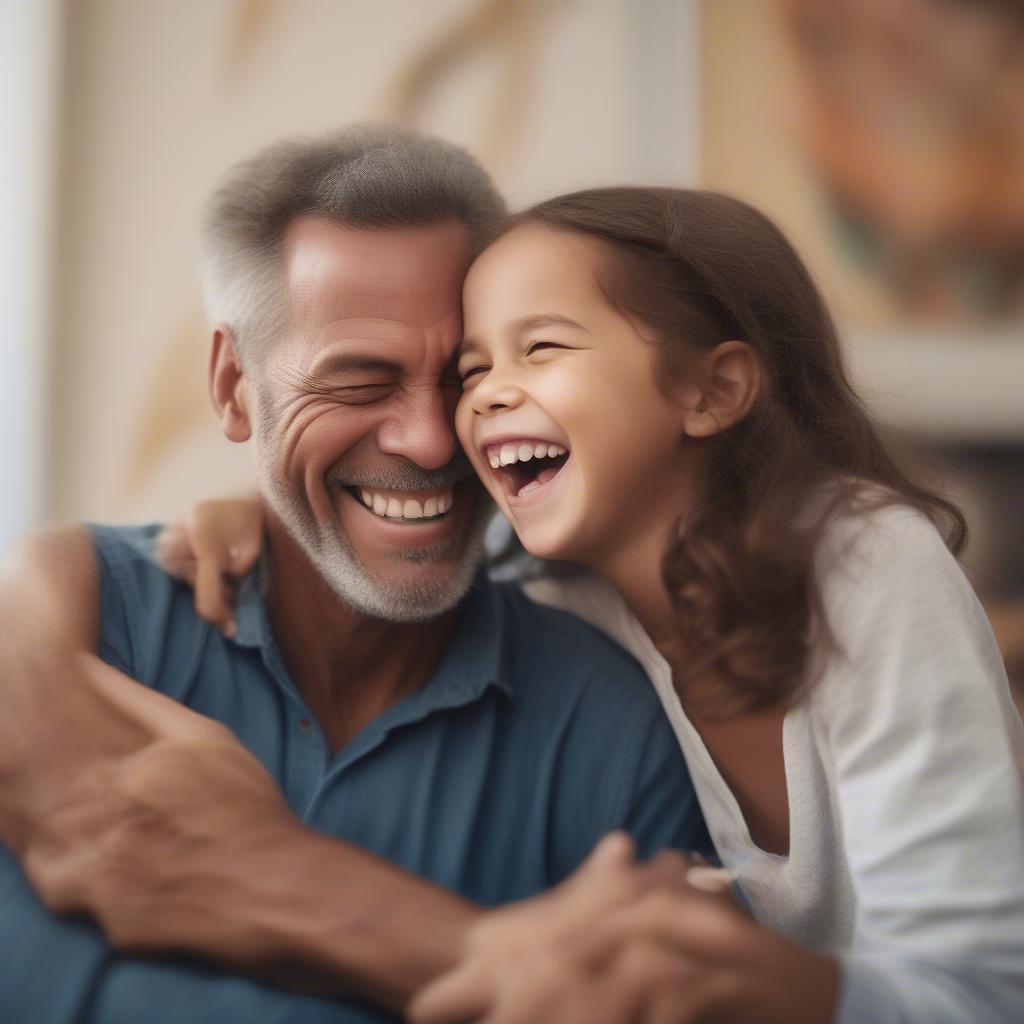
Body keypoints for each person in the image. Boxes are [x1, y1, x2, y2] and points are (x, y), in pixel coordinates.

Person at [175, 188, 1024, 1023]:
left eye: (541, 346)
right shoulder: (559, 604)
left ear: (712, 391)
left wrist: (717, 977)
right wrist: (265, 515)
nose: (487, 396)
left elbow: (981, 994)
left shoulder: (866, 561)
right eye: (476, 369)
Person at [0, 129, 710, 1024]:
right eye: (358, 381)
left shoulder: (611, 734)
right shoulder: (93, 625)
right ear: (233, 389)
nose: (431, 439)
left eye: (464, 376)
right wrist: (489, 966)